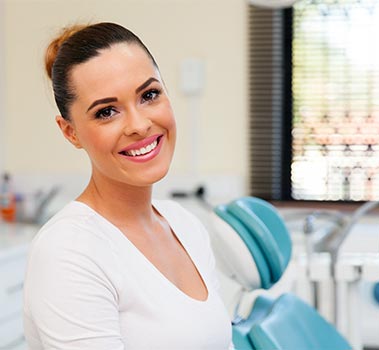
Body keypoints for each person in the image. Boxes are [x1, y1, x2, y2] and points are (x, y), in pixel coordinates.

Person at [23, 22, 232, 349]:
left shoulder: (186, 226)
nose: (139, 125)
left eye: (149, 95)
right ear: (70, 132)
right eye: (107, 112)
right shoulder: (68, 252)